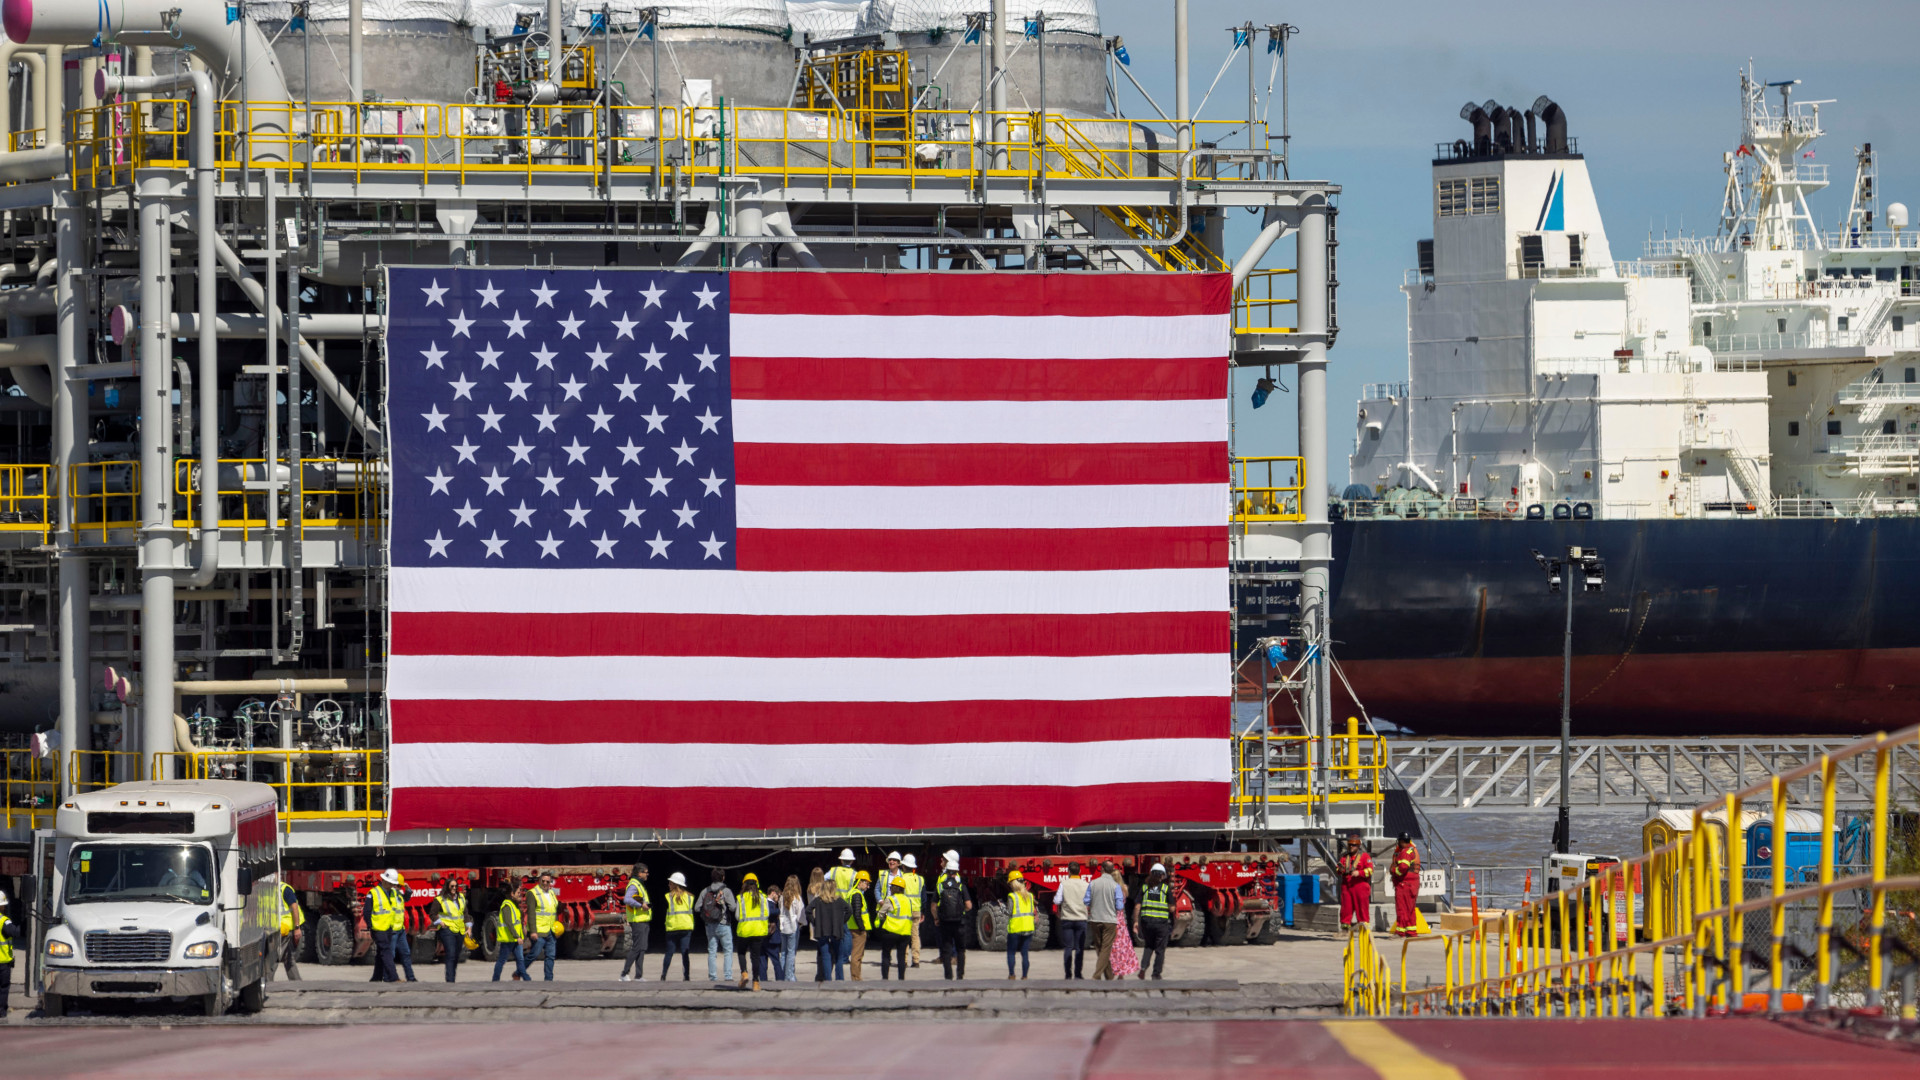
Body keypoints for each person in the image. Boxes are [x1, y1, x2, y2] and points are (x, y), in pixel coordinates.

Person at [1132, 863, 1173, 981]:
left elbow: (1137, 906)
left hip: (1146, 923)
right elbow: (1172, 908)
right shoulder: (1165, 889)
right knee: (1160, 950)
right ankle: (1156, 974)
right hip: (1161, 924)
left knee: (1148, 946)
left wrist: (1135, 921)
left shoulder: (1144, 888)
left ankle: (1143, 968)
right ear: (1162, 876)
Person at [934, 852, 971, 980]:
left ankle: (948, 976)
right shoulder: (960, 883)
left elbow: (934, 904)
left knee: (946, 948)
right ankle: (960, 975)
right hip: (959, 920)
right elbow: (969, 905)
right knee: (961, 950)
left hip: (944, 919)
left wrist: (936, 917)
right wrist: (962, 912)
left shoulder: (942, 881)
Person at [428, 875, 471, 983]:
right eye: (452, 886)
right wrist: (439, 922)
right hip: (447, 930)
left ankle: (452, 978)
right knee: (451, 954)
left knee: (456, 956)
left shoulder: (461, 897)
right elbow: (432, 914)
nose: (454, 888)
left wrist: (469, 927)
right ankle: (450, 981)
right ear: (447, 886)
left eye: (456, 886)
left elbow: (465, 913)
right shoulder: (440, 899)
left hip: (459, 930)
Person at [805, 876, 850, 980]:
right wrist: (841, 922)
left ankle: (828, 979)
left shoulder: (818, 900)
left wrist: (815, 922)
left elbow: (808, 910)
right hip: (836, 931)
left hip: (822, 931)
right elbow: (849, 911)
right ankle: (840, 979)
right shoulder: (839, 900)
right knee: (839, 957)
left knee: (826, 956)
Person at [696, 868, 736, 982]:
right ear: (723, 878)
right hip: (723, 924)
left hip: (709, 925)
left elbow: (697, 908)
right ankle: (728, 976)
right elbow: (733, 908)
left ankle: (713, 977)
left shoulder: (705, 891)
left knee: (712, 951)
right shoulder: (726, 891)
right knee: (728, 950)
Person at [1053, 861, 1091, 979]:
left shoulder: (1064, 884)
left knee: (1068, 947)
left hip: (1067, 919)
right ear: (1080, 872)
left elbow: (1057, 901)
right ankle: (1078, 974)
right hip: (1081, 919)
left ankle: (1068, 974)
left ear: (1068, 872)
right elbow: (1089, 901)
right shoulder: (1085, 884)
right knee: (1079, 948)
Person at [368, 868, 406, 983]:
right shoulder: (373, 893)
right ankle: (393, 977)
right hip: (378, 929)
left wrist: (407, 891)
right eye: (391, 883)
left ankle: (376, 978)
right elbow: (366, 912)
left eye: (393, 884)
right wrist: (371, 927)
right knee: (386, 951)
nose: (392, 886)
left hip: (389, 928)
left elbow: (404, 899)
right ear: (384, 881)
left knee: (381, 952)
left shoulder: (393, 892)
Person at [1088, 860, 1125, 980]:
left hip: (1095, 919)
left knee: (1100, 948)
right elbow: (1119, 906)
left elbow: (1086, 901)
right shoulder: (1116, 886)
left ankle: (1109, 976)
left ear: (1101, 869)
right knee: (1106, 948)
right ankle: (1097, 975)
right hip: (1109, 920)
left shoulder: (1093, 883)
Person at [735, 872, 771, 990]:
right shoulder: (763, 897)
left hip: (745, 931)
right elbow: (767, 913)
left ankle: (744, 973)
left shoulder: (741, 898)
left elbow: (737, 916)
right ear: (757, 884)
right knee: (755, 957)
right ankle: (756, 983)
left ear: (744, 884)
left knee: (741, 952)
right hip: (759, 930)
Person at [619, 863, 652, 981]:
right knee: (637, 948)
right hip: (638, 921)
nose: (647, 874)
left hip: (643, 920)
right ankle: (624, 974)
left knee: (642, 948)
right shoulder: (634, 884)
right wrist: (641, 905)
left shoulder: (639, 884)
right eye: (646, 872)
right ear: (639, 873)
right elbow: (627, 899)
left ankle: (638, 975)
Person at [527, 870, 561, 982]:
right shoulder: (532, 893)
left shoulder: (551, 893)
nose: (545, 883)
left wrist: (557, 927)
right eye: (543, 881)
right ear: (539, 881)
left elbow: (553, 911)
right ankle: (519, 972)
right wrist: (533, 931)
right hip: (539, 931)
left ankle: (549, 980)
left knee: (550, 956)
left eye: (548, 881)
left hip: (551, 931)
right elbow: (531, 913)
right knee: (534, 955)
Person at [492, 882, 530, 982]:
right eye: (518, 892)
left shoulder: (514, 905)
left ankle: (527, 979)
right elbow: (509, 923)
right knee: (502, 960)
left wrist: (523, 930)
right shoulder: (507, 906)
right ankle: (495, 980)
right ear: (512, 894)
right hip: (509, 939)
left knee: (520, 960)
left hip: (516, 939)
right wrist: (517, 936)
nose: (520, 894)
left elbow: (517, 922)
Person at [661, 872, 695, 981]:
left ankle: (663, 975)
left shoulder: (667, 897)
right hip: (686, 927)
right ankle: (687, 976)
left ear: (675, 884)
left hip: (672, 928)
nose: (668, 884)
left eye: (670, 882)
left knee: (669, 952)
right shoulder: (690, 897)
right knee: (685, 952)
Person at [875, 879, 912, 980]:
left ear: (894, 888)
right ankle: (901, 979)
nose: (890, 888)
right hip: (905, 932)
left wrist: (883, 917)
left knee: (886, 955)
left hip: (891, 931)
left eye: (891, 887)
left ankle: (885, 979)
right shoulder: (908, 900)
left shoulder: (891, 899)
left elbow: (881, 914)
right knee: (901, 957)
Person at [1338, 834, 1375, 931]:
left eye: (1354, 845)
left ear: (1358, 846)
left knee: (1362, 908)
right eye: (1350, 845)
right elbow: (1338, 869)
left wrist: (1360, 872)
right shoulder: (1344, 857)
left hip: (1360, 886)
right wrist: (1340, 869)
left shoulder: (1364, 857)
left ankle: (1364, 929)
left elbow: (1370, 870)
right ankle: (1345, 928)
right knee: (1346, 909)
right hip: (1347, 886)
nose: (1351, 847)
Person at [1389, 833, 1422, 936]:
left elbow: (1403, 867)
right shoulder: (1412, 850)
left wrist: (1394, 871)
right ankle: (1411, 930)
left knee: (1402, 908)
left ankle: (1400, 931)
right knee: (1410, 908)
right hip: (1411, 883)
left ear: (1402, 841)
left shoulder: (1405, 852)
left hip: (1404, 884)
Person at [1005, 872, 1036, 980]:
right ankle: (1024, 976)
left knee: (1011, 952)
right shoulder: (1030, 896)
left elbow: (1009, 912)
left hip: (1015, 929)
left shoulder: (1012, 896)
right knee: (1025, 954)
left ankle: (1012, 975)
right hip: (1028, 928)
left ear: (1013, 884)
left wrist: (1001, 907)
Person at [275, 878, 305, 981]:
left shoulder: (284, 889)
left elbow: (294, 907)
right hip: (276, 928)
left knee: (273, 957)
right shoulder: (268, 889)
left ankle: (267, 983)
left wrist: (297, 928)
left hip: (284, 928)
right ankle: (297, 982)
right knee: (288, 957)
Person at [777, 875, 805, 982]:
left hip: (783, 927)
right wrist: (802, 923)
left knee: (783, 952)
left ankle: (783, 975)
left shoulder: (782, 897)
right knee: (791, 952)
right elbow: (800, 914)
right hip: (793, 928)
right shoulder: (797, 897)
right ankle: (789, 976)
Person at [845, 871, 873, 980]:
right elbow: (857, 913)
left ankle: (857, 976)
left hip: (853, 927)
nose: (868, 886)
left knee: (858, 955)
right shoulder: (857, 894)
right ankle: (856, 978)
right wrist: (862, 928)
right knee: (857, 955)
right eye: (866, 883)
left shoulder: (852, 892)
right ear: (860, 882)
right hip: (858, 930)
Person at [899, 853, 925, 968]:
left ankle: (903, 961)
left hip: (905, 911)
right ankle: (916, 961)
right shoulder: (920, 879)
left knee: (904, 936)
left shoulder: (900, 879)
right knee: (915, 936)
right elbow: (924, 897)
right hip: (916, 910)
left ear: (903, 866)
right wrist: (922, 911)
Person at [764, 879, 787, 982]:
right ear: (773, 893)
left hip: (763, 937)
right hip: (772, 938)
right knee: (776, 961)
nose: (778, 898)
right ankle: (780, 980)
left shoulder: (763, 902)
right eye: (778, 895)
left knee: (762, 962)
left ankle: (763, 981)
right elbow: (769, 912)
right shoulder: (768, 904)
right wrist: (779, 911)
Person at [0, 890, 18, 1018]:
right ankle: (1, 1012)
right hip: (2, 963)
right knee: (3, 988)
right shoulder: (3, 921)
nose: (5, 907)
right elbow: (14, 932)